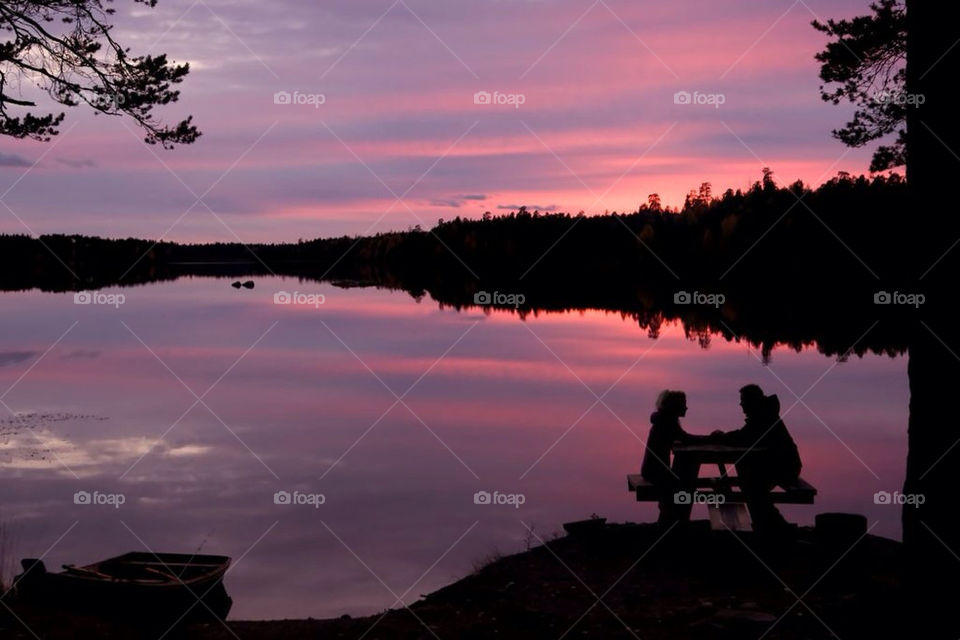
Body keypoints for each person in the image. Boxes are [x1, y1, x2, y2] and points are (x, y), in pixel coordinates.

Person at [710, 384, 802, 533]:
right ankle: (771, 526)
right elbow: (745, 435)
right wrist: (724, 437)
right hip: (778, 465)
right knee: (747, 478)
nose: (741, 404)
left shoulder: (764, 417)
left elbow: (745, 437)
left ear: (752, 401)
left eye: (743, 401)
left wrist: (722, 437)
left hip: (786, 468)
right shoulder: (763, 414)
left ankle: (773, 527)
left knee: (751, 486)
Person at [641, 390, 706, 524]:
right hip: (655, 472)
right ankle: (674, 522)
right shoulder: (667, 421)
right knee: (684, 487)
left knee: (683, 486)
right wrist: (711, 438)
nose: (686, 407)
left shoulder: (665, 420)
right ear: (674, 406)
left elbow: (683, 438)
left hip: (653, 470)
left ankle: (670, 520)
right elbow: (686, 438)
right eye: (683, 404)